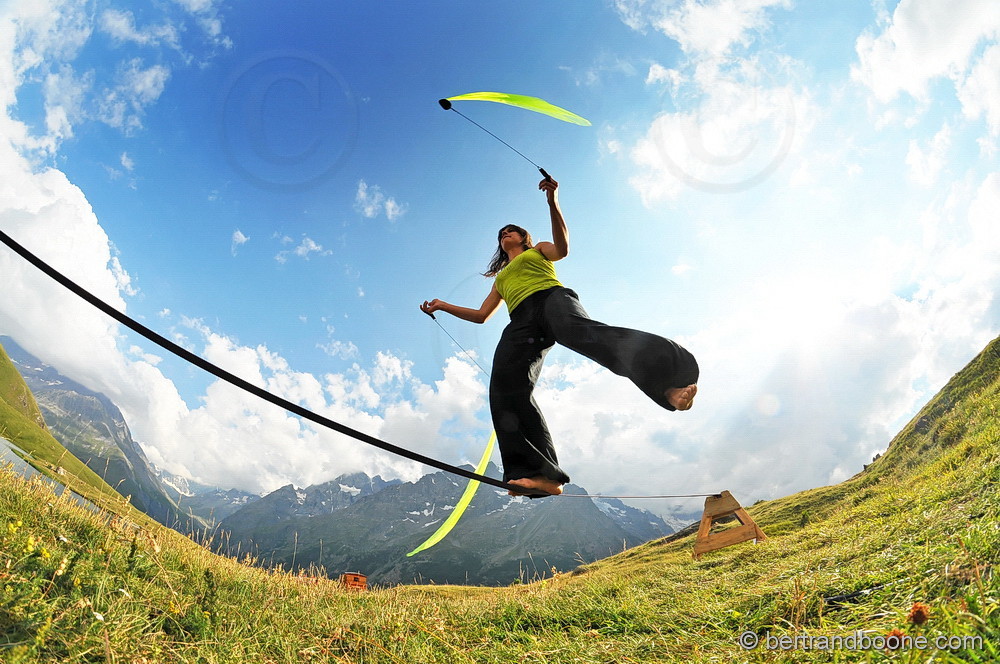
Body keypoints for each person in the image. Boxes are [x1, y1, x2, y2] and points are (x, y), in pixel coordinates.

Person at [421, 178, 698, 497]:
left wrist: (552, 201)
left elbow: (562, 249)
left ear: (523, 237)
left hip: (551, 299)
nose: (505, 234)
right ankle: (540, 475)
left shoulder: (538, 250)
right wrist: (443, 306)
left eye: (511, 230)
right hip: (521, 321)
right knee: (505, 384)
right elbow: (482, 315)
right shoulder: (500, 278)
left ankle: (670, 382)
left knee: (581, 334)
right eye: (501, 234)